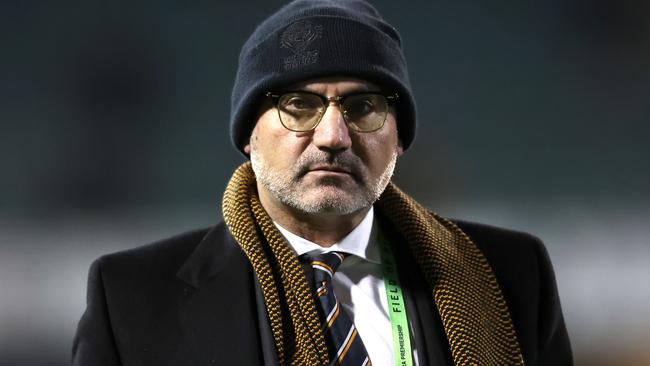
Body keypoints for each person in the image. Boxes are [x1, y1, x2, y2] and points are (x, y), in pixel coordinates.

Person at [72, 1, 572, 365]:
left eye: (363, 107)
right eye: (299, 105)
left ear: (399, 137)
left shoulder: (513, 276)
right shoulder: (133, 299)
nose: (333, 136)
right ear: (249, 133)